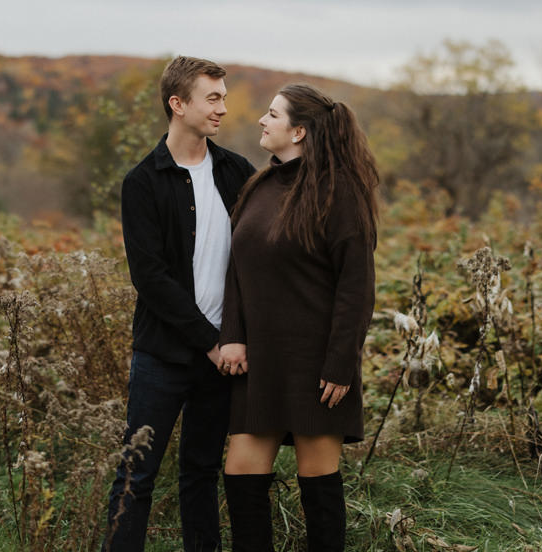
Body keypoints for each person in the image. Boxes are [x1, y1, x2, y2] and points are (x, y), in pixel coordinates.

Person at [104, 56, 256, 552]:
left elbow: (259, 257)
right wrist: (211, 341)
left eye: (223, 98)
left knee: (201, 473)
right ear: (178, 104)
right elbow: (150, 279)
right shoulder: (142, 182)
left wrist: (233, 339)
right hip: (162, 356)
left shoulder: (237, 172)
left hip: (223, 358)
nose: (222, 109)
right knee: (136, 474)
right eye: (212, 98)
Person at [218, 83, 379, 552]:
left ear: (299, 131)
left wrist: (341, 363)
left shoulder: (340, 193)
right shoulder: (259, 186)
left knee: (318, 482)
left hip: (317, 363)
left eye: (273, 114)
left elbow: (356, 287)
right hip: (259, 360)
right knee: (241, 473)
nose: (262, 120)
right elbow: (236, 270)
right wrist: (233, 336)